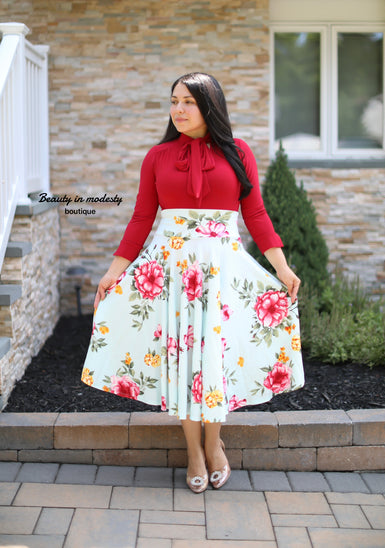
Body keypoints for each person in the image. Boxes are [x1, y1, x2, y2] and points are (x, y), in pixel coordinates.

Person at [81, 72, 304, 493]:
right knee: (181, 360)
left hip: (223, 272)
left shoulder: (239, 153)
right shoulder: (157, 157)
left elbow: (255, 215)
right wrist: (115, 271)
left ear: (210, 106)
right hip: (169, 274)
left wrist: (282, 267)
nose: (178, 110)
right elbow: (142, 217)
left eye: (188, 102)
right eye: (173, 101)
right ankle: (193, 451)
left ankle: (215, 444)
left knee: (214, 358)